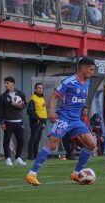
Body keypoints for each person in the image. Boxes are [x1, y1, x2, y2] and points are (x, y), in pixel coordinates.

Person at [25, 58, 96, 186]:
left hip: (76, 120)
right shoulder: (69, 81)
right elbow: (53, 96)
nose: (92, 72)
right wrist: (51, 110)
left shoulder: (87, 82)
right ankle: (32, 174)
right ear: (83, 68)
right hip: (63, 118)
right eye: (91, 69)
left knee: (91, 145)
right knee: (52, 145)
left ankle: (76, 173)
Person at [0, 76, 28, 166]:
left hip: (18, 121)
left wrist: (20, 106)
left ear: (12, 83)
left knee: (21, 140)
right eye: (5, 83)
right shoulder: (3, 96)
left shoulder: (20, 93)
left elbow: (25, 104)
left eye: (7, 83)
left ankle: (18, 157)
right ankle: (7, 158)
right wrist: (2, 122)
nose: (5, 85)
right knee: (6, 140)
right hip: (8, 121)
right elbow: (1, 110)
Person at [27, 83, 47, 160]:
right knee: (33, 138)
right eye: (38, 88)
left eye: (42, 88)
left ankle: (35, 154)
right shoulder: (33, 98)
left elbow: (43, 111)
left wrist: (44, 122)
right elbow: (30, 111)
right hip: (36, 121)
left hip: (42, 121)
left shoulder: (42, 98)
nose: (40, 89)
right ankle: (30, 155)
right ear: (35, 89)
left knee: (38, 139)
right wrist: (38, 120)